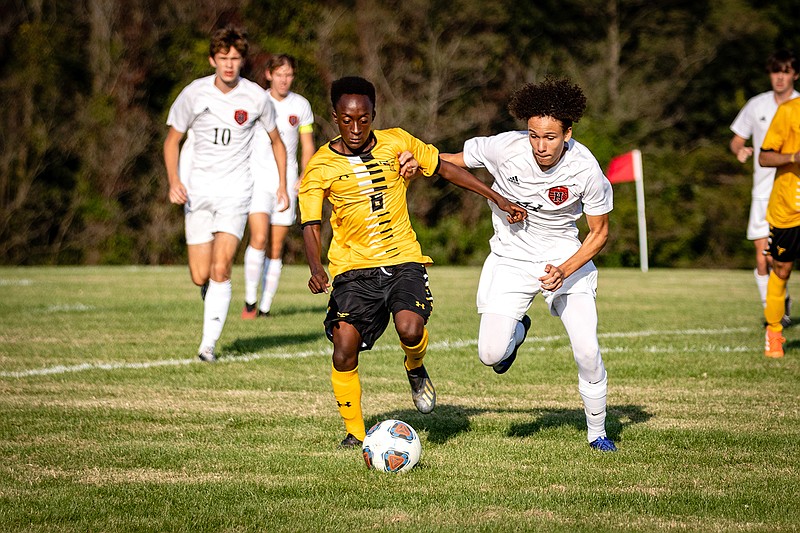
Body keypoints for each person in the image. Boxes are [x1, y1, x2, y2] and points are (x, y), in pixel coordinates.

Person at [299, 76, 527, 448]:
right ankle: (354, 434)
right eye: (347, 119)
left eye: (364, 119)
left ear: (374, 114)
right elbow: (310, 222)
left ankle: (415, 367)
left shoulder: (398, 142)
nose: (356, 128)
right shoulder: (320, 166)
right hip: (353, 270)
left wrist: (497, 197)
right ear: (335, 117)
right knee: (344, 348)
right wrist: (315, 268)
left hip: (402, 259)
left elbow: (446, 168)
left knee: (409, 329)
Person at [440, 77, 617, 451]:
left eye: (550, 137)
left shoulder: (585, 168)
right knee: (490, 355)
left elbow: (598, 234)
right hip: (511, 256)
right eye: (534, 135)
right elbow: (449, 161)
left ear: (568, 132)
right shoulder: (505, 147)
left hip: (564, 258)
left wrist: (563, 270)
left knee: (586, 348)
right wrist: (410, 158)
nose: (540, 145)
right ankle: (519, 328)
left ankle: (597, 432)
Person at [164, 26, 288, 362]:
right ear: (213, 60)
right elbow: (172, 140)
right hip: (198, 193)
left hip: (236, 194)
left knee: (221, 269)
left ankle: (208, 346)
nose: (229, 65)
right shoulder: (194, 94)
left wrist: (281, 185)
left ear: (242, 61)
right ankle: (212, 294)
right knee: (199, 274)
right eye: (223, 58)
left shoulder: (256, 97)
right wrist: (174, 180)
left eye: (235, 58)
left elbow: (277, 142)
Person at [241, 54, 316, 319]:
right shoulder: (256, 101)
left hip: (288, 183)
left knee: (276, 247)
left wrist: (305, 174)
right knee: (258, 238)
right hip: (257, 182)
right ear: (269, 74)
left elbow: (307, 145)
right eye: (279, 74)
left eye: (289, 75)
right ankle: (249, 301)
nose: (284, 79)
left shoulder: (301, 106)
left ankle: (265, 307)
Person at [730, 49, 799, 326]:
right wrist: (739, 150)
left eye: (785, 71)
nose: (779, 77)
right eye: (775, 71)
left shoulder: (797, 107)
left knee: (781, 262)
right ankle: (775, 317)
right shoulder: (756, 105)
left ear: (794, 74)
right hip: (762, 191)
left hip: (793, 192)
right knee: (762, 259)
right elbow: (737, 138)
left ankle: (779, 298)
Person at [759, 84, 800, 358]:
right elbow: (764, 156)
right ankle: (774, 332)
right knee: (782, 270)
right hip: (789, 208)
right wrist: (794, 157)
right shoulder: (789, 112)